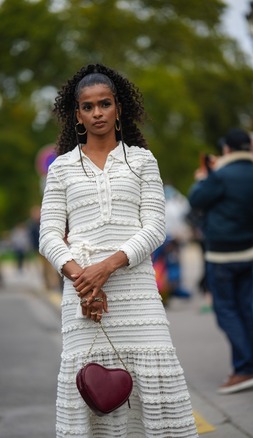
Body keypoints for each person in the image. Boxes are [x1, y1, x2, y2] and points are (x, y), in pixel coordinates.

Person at [39, 63, 198, 437]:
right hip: (82, 296)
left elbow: (156, 227)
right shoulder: (61, 169)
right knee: (93, 396)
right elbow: (48, 235)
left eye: (105, 104)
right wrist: (83, 280)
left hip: (137, 292)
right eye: (89, 106)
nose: (97, 113)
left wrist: (106, 268)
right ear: (76, 113)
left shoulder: (142, 160)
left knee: (154, 390)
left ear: (119, 108)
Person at [188, 127, 253, 394]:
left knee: (225, 311)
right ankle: (249, 364)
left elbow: (196, 200)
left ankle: (245, 368)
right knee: (245, 309)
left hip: (221, 254)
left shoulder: (221, 175)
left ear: (227, 150)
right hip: (248, 251)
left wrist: (204, 176)